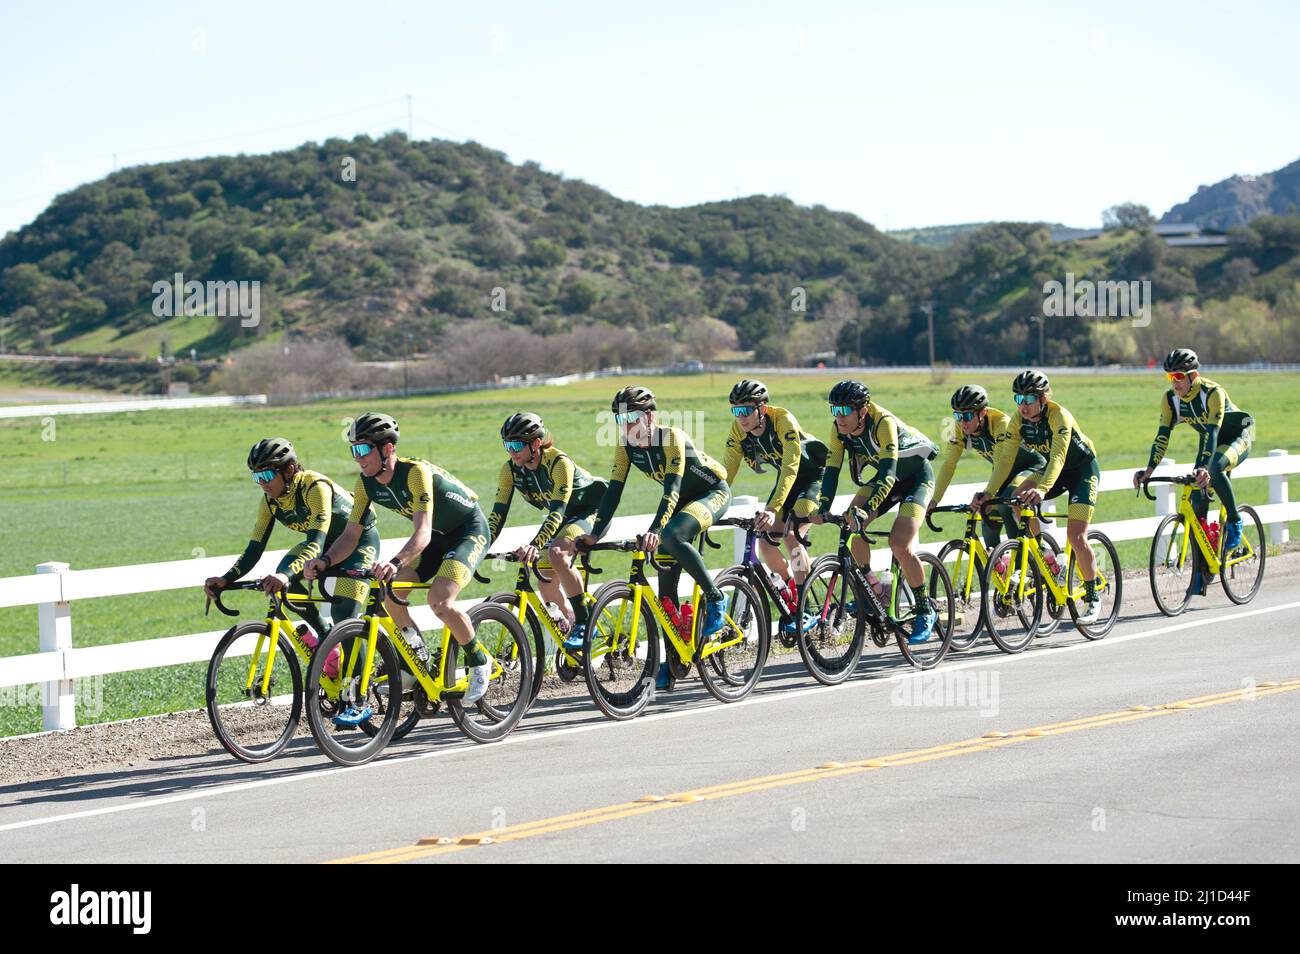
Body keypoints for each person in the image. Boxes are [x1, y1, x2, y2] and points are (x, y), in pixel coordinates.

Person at [304, 413, 493, 721]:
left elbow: (422, 532)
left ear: (387, 449)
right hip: (434, 540)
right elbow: (351, 535)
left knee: (440, 601)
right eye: (354, 450)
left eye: (364, 449)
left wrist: (394, 562)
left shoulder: (415, 472)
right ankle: (416, 657)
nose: (358, 458)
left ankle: (477, 658)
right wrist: (324, 561)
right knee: (391, 596)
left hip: (466, 532)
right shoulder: (366, 483)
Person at [579, 386, 732, 690]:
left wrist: (655, 530)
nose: (626, 424)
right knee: (665, 592)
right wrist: (594, 533)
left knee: (672, 536)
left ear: (650, 416)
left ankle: (716, 597)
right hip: (679, 504)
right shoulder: (625, 446)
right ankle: (674, 659)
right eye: (620, 418)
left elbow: (671, 491)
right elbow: (613, 493)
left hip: (709, 493)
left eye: (633, 417)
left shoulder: (670, 437)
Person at [204, 438, 377, 653]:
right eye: (256, 477)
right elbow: (254, 549)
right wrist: (226, 578)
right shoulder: (270, 501)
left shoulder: (314, 487)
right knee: (285, 573)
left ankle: (359, 683)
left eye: (266, 475)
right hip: (323, 545)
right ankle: (325, 638)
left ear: (289, 469)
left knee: (343, 619)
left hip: (356, 544)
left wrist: (286, 575)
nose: (262, 483)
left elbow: (315, 544)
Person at [811, 380, 940, 643]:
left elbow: (888, 475)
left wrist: (867, 510)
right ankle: (874, 589)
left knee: (899, 543)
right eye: (834, 410)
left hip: (914, 478)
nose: (839, 417)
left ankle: (924, 609)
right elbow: (832, 470)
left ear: (863, 410)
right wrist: (822, 507)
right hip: (885, 479)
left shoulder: (884, 422)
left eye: (845, 410)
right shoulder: (838, 429)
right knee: (851, 524)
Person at [975, 370, 1104, 623]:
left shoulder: (1059, 416)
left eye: (1028, 400)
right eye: (1018, 399)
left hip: (1081, 471)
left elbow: (1057, 457)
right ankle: (1045, 555)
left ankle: (1092, 596)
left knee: (1076, 536)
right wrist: (988, 493)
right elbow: (1004, 462)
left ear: (1043, 399)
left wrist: (1042, 489)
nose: (1022, 406)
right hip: (1053, 472)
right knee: (1017, 498)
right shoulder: (1017, 421)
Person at [1132, 348, 1255, 595]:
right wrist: (1148, 470)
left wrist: (1205, 468)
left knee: (1214, 468)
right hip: (1209, 443)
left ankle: (1234, 521)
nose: (1174, 382)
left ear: (1193, 375)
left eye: (1178, 376)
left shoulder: (1213, 393)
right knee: (1197, 507)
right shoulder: (1170, 400)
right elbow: (1162, 437)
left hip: (1236, 437)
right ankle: (1203, 572)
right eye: (1170, 377)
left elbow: (1212, 433)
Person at [487, 412, 607, 650]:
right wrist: (481, 545)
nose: (511, 451)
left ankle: (585, 623)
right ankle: (573, 622)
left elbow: (557, 513)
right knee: (545, 582)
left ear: (536, 443)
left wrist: (534, 544)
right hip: (563, 519)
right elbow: (497, 515)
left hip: (591, 510)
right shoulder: (509, 470)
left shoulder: (559, 463)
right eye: (507, 445)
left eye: (517, 445)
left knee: (557, 553)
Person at [721, 379, 826, 634]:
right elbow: (726, 474)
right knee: (766, 544)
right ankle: (792, 589)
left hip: (811, 477)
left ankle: (806, 607)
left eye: (746, 410)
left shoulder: (783, 420)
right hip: (786, 483)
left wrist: (772, 507)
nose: (741, 417)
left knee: (792, 536)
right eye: (736, 411)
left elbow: (791, 467)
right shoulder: (739, 431)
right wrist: (711, 504)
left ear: (763, 408)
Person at [927, 384, 1046, 550]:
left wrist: (989, 493)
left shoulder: (1001, 424)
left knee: (1008, 502)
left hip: (1032, 466)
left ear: (982, 412)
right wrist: (934, 499)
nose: (962, 422)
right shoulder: (960, 427)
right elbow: (949, 465)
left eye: (967, 415)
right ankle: (996, 567)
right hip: (1003, 470)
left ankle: (1033, 556)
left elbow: (1002, 463)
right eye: (958, 415)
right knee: (986, 513)